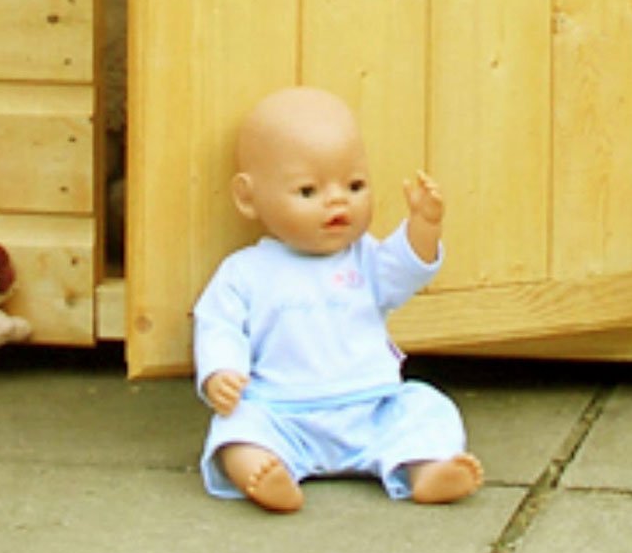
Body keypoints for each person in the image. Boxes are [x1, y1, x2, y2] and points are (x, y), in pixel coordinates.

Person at [192, 86, 483, 513]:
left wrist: (423, 225)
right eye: (308, 191)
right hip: (282, 411)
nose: (337, 201)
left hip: (372, 406)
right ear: (248, 197)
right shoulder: (245, 271)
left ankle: (427, 470)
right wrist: (221, 371)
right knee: (236, 429)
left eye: (355, 185)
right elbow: (219, 324)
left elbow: (405, 270)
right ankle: (263, 471)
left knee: (427, 407)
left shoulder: (366, 257)